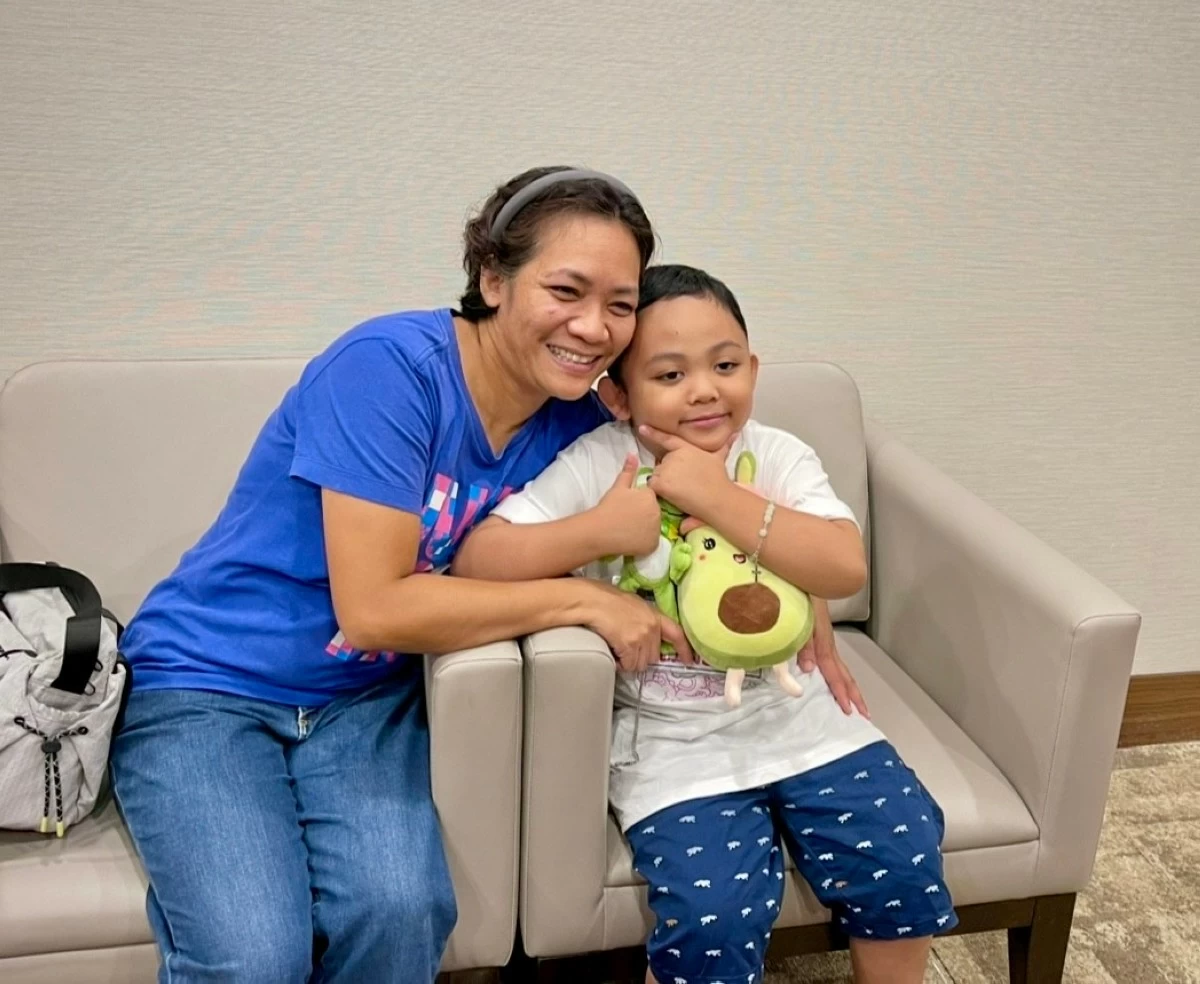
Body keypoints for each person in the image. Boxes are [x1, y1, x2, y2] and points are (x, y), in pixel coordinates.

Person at [109, 166, 697, 984]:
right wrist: (579, 596)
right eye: (566, 290)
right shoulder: (387, 369)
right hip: (208, 685)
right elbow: (377, 608)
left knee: (403, 911)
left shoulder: (576, 420)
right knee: (254, 957)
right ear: (492, 278)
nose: (594, 327)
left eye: (621, 305)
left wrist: (800, 598)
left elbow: (708, 472)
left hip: (362, 703)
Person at [453, 264, 957, 984]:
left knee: (903, 854)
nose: (704, 390)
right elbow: (479, 558)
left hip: (802, 715)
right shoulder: (601, 461)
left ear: (753, 368)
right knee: (711, 913)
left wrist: (717, 497)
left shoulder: (778, 454)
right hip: (671, 742)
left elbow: (844, 567)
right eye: (669, 374)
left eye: (724, 365)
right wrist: (598, 530)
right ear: (619, 395)